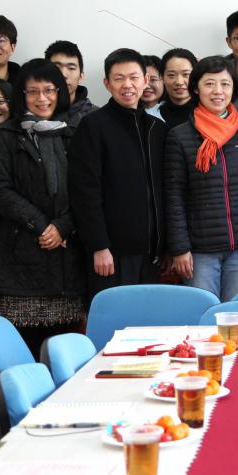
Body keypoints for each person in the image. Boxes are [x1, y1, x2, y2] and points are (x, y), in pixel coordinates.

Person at [0, 59, 85, 358]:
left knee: (64, 356)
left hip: (68, 262)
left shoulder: (75, 134)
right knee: (21, 357)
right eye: (33, 91)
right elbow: (0, 191)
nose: (42, 98)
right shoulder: (6, 136)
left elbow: (88, 190)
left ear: (60, 92)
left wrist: (63, 226)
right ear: (22, 94)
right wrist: (42, 226)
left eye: (49, 90)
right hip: (21, 260)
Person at [165, 56, 238, 301]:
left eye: (225, 84)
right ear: (196, 89)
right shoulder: (180, 136)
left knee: (236, 314)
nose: (218, 91)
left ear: (234, 89)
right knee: (203, 314)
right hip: (199, 249)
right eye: (209, 84)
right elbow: (174, 196)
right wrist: (180, 248)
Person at [69, 48, 167, 299]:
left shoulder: (157, 128)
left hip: (152, 252)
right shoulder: (93, 125)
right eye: (119, 78)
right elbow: (85, 192)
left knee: (148, 319)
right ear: (107, 83)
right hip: (112, 253)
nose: (127, 85)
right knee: (115, 319)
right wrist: (99, 246)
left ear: (145, 80)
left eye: (134, 77)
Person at [46, 40, 96, 128]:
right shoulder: (30, 114)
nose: (63, 75)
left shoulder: (96, 117)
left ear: (81, 76)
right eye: (56, 67)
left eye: (71, 68)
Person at [160, 48, 198, 130]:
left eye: (186, 74)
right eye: (171, 75)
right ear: (162, 77)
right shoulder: (154, 116)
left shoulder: (208, 113)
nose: (179, 82)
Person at [141, 54, 166, 121]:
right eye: (142, 80)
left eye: (153, 80)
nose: (147, 86)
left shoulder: (175, 111)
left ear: (164, 81)